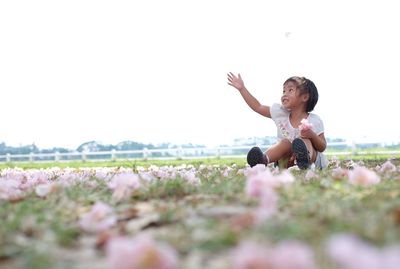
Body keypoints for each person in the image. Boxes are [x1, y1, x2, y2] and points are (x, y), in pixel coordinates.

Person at [227, 72, 328, 169]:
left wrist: (312, 135)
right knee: (285, 142)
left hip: (312, 163)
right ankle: (263, 160)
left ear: (305, 97)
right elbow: (258, 107)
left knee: (304, 141)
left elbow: (322, 147)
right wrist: (242, 89)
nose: (284, 94)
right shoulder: (281, 114)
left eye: (290, 90)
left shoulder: (314, 120)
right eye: (284, 91)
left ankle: (304, 160)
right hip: (286, 162)